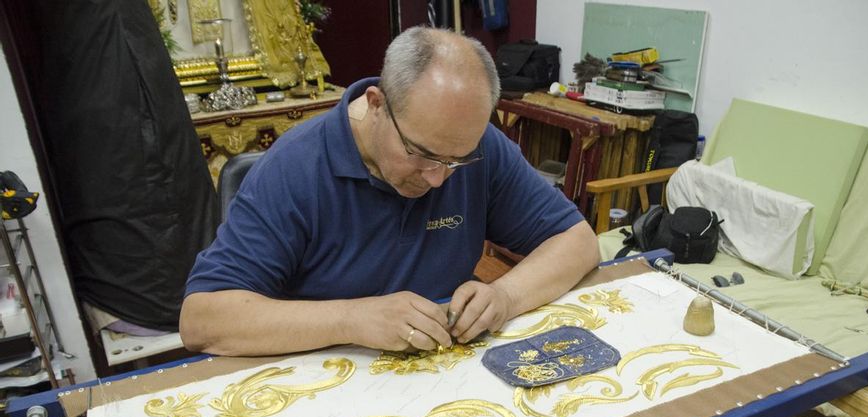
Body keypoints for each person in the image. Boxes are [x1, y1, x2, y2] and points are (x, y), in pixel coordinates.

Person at [180, 27, 599, 356]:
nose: (438, 178)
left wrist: (505, 296)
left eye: (457, 161)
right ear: (376, 103)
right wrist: (350, 319)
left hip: (442, 373)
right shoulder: (293, 169)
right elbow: (203, 320)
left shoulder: (478, 146)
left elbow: (578, 242)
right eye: (420, 153)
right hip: (327, 382)